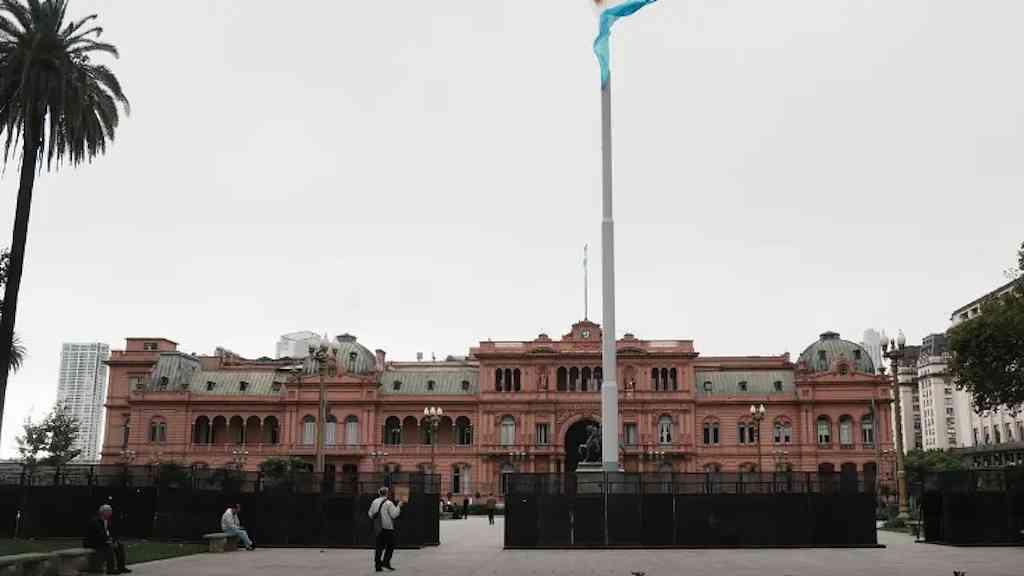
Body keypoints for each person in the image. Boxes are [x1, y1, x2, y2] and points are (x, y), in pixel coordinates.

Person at [84, 504, 131, 575]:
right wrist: (110, 542)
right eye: (109, 511)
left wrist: (114, 541)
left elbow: (111, 533)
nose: (111, 512)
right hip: (93, 542)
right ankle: (110, 569)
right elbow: (100, 535)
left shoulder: (107, 520)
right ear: (103, 512)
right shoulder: (95, 521)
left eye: (111, 511)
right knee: (109, 547)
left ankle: (121, 567)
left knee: (120, 545)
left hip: (103, 541)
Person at [368, 487, 402, 572]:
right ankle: (386, 562)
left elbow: (370, 514)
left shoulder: (374, 501)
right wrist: (399, 506)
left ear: (379, 493)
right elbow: (394, 515)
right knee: (390, 546)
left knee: (379, 547)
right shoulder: (388, 503)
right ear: (387, 493)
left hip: (378, 528)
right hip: (388, 528)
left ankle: (377, 566)